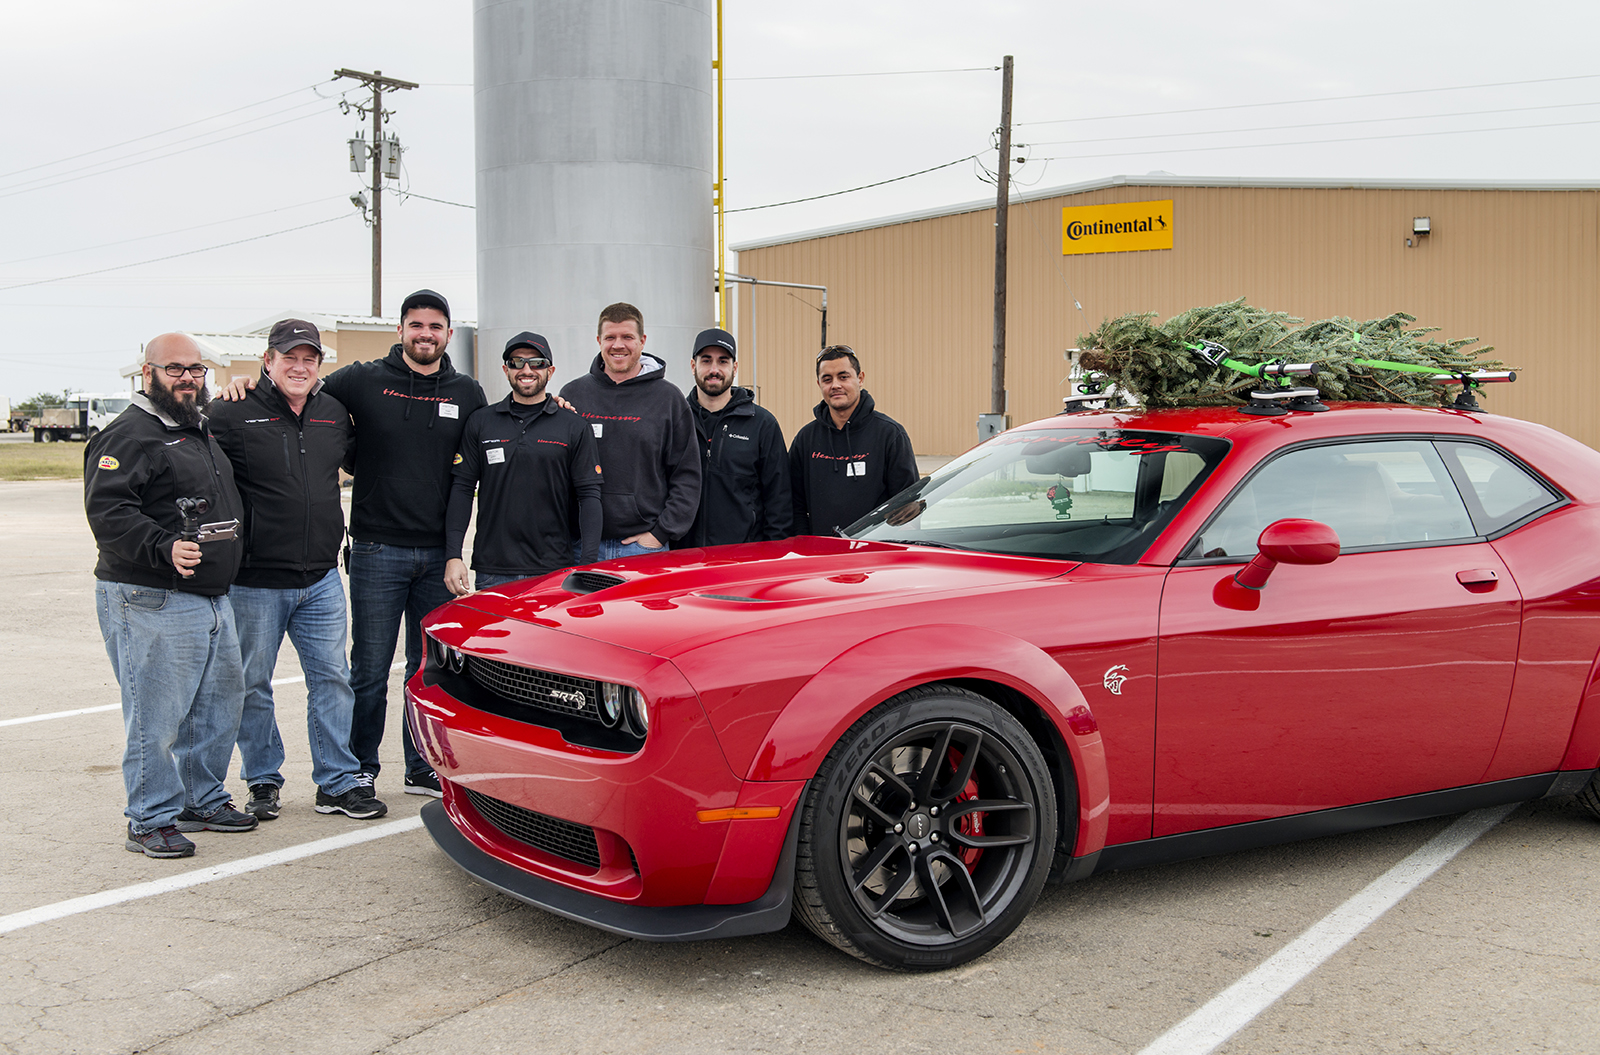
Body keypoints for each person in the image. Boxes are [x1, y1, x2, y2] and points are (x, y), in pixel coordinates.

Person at [217, 289, 486, 799]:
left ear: (448, 334)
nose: (425, 334)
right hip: (375, 551)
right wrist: (244, 384)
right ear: (400, 331)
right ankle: (359, 768)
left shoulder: (467, 392)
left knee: (427, 669)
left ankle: (420, 765)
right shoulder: (362, 381)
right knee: (367, 669)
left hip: (438, 557)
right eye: (415, 325)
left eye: (435, 326)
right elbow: (298, 391)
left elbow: (496, 434)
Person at [86, 333, 257, 858]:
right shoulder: (130, 434)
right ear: (148, 372)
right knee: (156, 715)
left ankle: (201, 799)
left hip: (210, 597)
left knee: (217, 707)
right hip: (150, 596)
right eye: (175, 369)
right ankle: (150, 818)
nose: (188, 378)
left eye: (196, 369)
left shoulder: (195, 427)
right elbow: (108, 512)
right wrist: (164, 547)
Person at [208, 320, 387, 822]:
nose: (300, 366)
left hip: (321, 578)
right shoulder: (231, 410)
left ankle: (337, 782)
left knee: (332, 679)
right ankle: (262, 780)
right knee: (251, 684)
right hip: (255, 581)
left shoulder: (334, 413)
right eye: (290, 357)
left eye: (309, 359)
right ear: (267, 361)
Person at [444, 332, 603, 594]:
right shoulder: (481, 422)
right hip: (492, 570)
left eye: (537, 363)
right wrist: (453, 555)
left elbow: (589, 496)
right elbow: (462, 488)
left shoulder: (573, 425)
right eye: (517, 362)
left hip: (553, 571)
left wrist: (587, 565)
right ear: (506, 370)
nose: (526, 369)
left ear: (550, 371)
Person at [558, 302, 700, 560]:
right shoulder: (574, 395)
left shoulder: (668, 399)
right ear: (599, 340)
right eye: (610, 337)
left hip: (643, 547)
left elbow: (687, 475)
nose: (618, 345)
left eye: (627, 337)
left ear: (642, 341)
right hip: (581, 546)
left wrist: (660, 533)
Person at [677, 327, 791, 547]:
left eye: (723, 361)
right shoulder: (676, 420)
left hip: (742, 559)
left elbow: (779, 501)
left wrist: (774, 555)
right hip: (683, 558)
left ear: (734, 367)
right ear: (693, 366)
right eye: (706, 360)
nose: (714, 369)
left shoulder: (762, 424)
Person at [788, 344, 919, 536]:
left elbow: (907, 507)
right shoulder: (805, 439)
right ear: (819, 384)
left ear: (860, 378)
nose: (835, 385)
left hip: (875, 555)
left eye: (843, 376)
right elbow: (794, 504)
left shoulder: (890, 435)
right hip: (822, 556)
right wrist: (807, 545)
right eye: (827, 379)